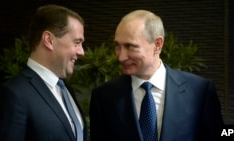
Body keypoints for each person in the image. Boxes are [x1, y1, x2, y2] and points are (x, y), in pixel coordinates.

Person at [89, 10, 224, 141]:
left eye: (130, 46)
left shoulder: (200, 91)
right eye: (117, 46)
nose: (121, 56)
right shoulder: (103, 97)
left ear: (157, 45)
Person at [0, 4, 88, 141]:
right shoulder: (12, 95)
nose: (82, 52)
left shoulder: (66, 90)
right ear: (49, 40)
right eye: (77, 42)